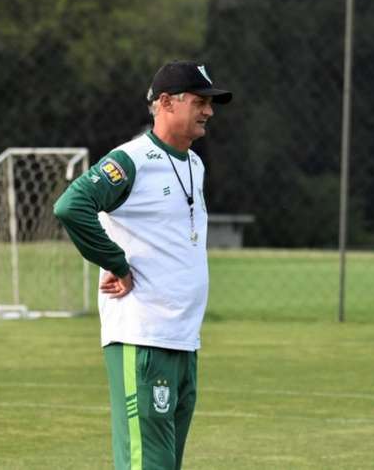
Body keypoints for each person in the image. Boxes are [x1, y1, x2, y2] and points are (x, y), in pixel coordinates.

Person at [54, 60, 232, 470]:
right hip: (144, 338)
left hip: (183, 340)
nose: (208, 110)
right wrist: (115, 261)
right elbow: (71, 206)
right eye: (199, 101)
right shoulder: (131, 159)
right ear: (165, 102)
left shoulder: (195, 164)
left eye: (211, 103)